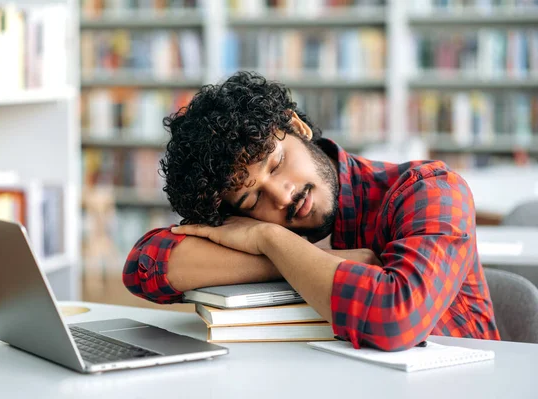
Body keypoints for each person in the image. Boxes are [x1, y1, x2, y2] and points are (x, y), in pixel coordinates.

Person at [122, 71, 500, 351]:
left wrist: (269, 240)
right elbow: (145, 266)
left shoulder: (428, 188)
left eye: (276, 163)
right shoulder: (263, 228)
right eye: (253, 201)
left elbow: (394, 317)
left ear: (297, 126)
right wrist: (301, 255)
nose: (282, 195)